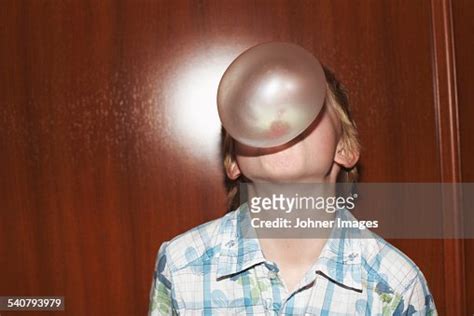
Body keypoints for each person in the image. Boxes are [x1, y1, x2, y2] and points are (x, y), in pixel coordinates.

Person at [148, 66, 437, 315]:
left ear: (344, 148)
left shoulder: (396, 282)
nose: (280, 117)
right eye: (257, 108)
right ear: (233, 161)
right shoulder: (182, 263)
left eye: (305, 103)